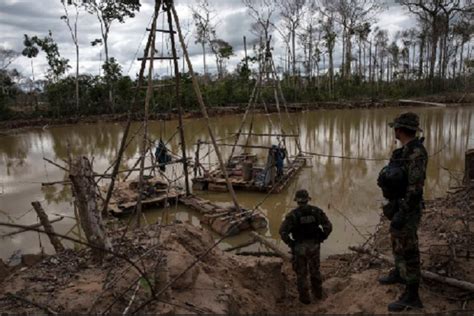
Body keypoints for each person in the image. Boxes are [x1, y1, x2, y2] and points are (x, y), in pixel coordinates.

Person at [377, 112, 428, 312]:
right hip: (398, 204)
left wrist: (403, 212)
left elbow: (416, 188)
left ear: (399, 130)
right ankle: (399, 272)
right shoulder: (403, 151)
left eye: (395, 129)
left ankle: (412, 295)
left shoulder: (416, 153)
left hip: (408, 208)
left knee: (410, 250)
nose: (394, 131)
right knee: (397, 241)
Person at [279, 189, 333, 304]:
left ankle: (305, 299)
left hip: (299, 247)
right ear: (307, 199)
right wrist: (321, 238)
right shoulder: (316, 211)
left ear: (297, 201)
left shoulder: (292, 215)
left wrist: (291, 243)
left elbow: (282, 232)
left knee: (301, 273)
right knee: (315, 270)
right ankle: (318, 294)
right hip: (314, 245)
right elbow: (328, 226)